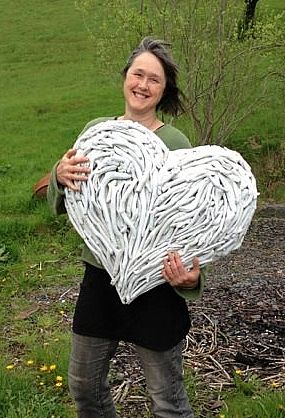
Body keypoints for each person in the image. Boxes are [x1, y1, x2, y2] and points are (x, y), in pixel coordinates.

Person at [47, 37, 205, 418]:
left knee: (167, 399)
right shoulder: (96, 131)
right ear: (125, 78)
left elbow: (195, 220)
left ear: (164, 91)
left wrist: (194, 277)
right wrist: (58, 174)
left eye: (154, 79)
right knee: (84, 386)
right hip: (101, 279)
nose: (143, 85)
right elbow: (73, 192)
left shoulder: (175, 143)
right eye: (138, 74)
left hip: (155, 287)